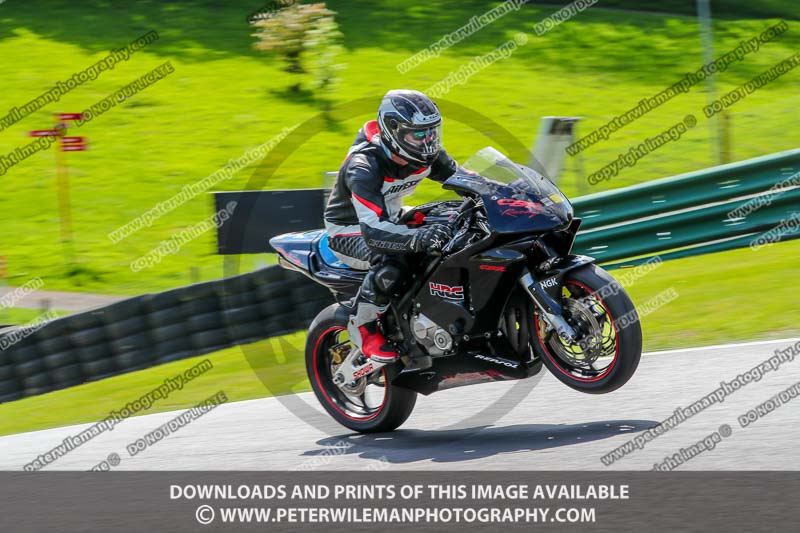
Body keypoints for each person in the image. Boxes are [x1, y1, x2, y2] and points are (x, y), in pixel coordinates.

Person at [323, 89, 460, 363]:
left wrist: (508, 194)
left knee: (454, 222)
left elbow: (465, 179)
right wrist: (418, 237)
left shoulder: (427, 154)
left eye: (431, 132)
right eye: (418, 134)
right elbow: (374, 232)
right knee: (392, 261)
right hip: (350, 230)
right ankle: (362, 327)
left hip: (393, 217)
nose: (428, 141)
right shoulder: (363, 166)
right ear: (394, 130)